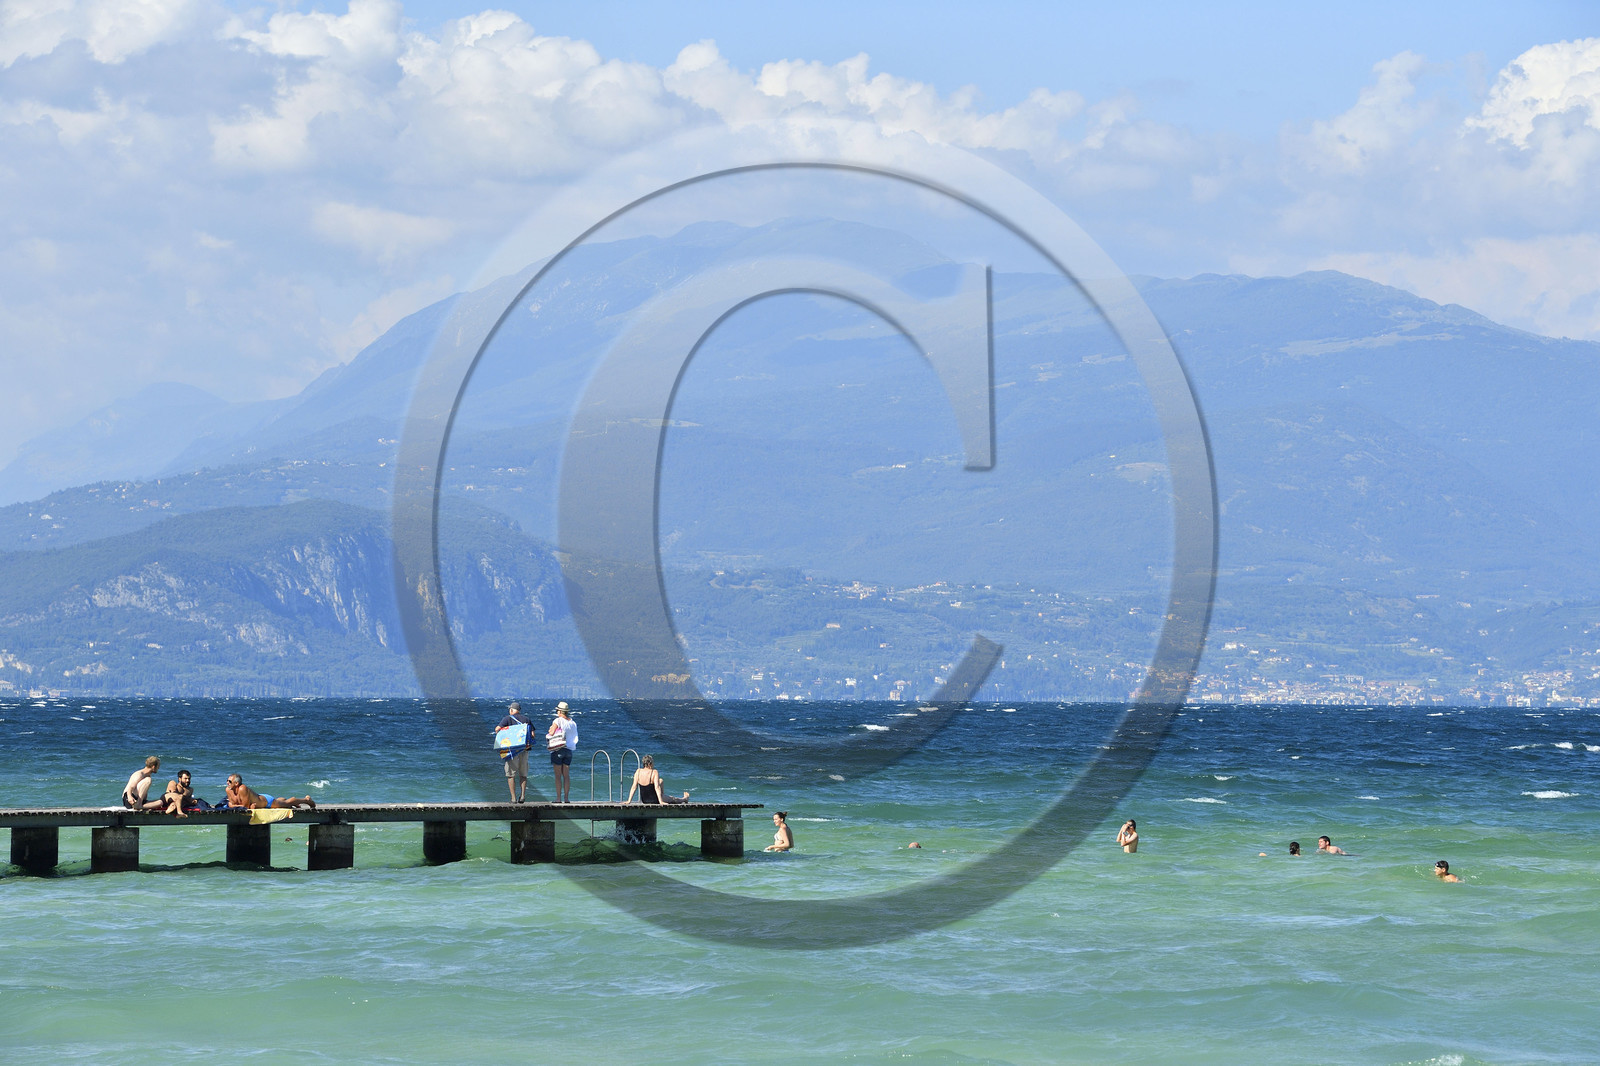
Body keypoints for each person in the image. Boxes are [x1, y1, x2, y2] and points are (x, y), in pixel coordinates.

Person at [494, 700, 533, 803]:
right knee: (523, 774)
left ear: (511, 710)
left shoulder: (507, 719)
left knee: (511, 775)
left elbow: (497, 729)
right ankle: (523, 796)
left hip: (512, 751)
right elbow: (532, 735)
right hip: (524, 750)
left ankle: (513, 798)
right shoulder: (526, 719)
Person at [225, 774, 316, 810]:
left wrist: (233, 805)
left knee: (286, 803)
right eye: (227, 780)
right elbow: (233, 805)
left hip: (266, 802)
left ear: (236, 783)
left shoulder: (242, 788)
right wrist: (233, 805)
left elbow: (244, 807)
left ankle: (306, 800)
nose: (227, 783)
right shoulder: (228, 790)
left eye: (229, 781)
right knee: (281, 802)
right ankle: (286, 801)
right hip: (260, 798)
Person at [546, 702, 578, 803]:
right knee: (566, 776)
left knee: (558, 776)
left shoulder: (558, 720)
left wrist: (550, 729)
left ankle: (558, 798)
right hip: (569, 750)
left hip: (559, 749)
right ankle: (566, 798)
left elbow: (551, 733)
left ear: (560, 711)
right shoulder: (573, 723)